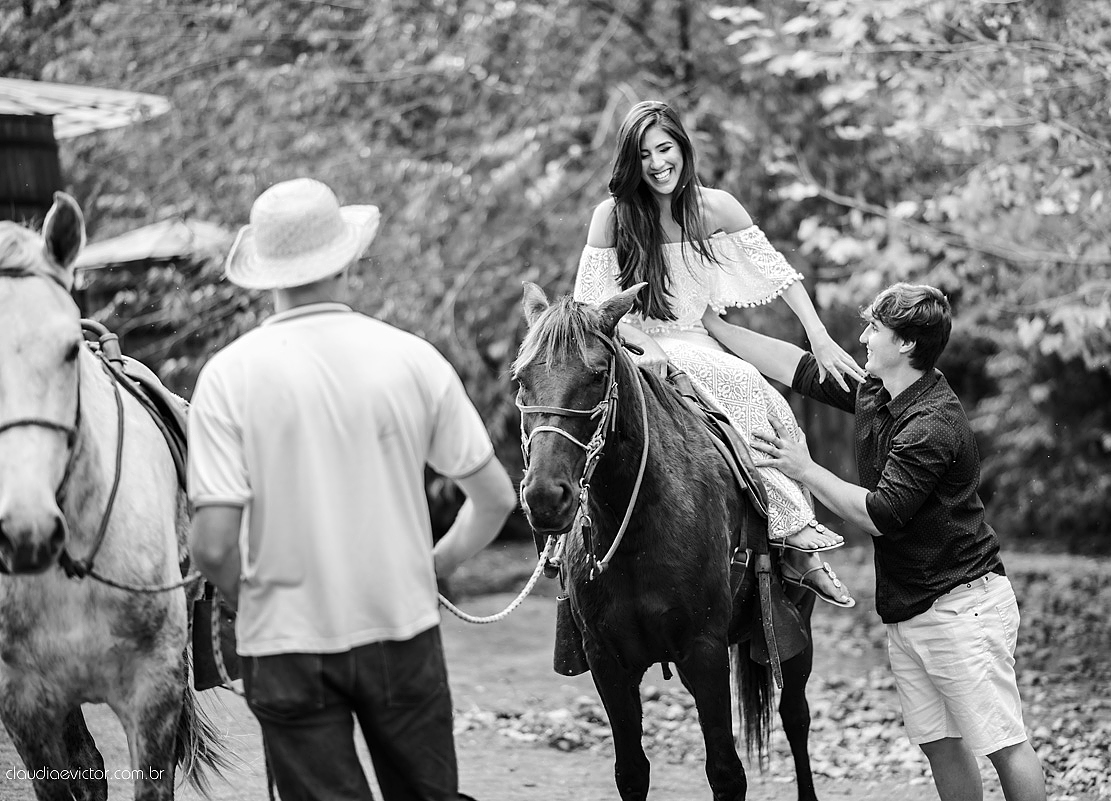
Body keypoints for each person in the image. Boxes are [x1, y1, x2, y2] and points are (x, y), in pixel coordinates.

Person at [187, 178, 515, 801]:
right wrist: (432, 565)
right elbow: (495, 499)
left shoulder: (227, 377)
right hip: (401, 627)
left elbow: (212, 548)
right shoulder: (412, 359)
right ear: (346, 258)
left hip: (285, 642)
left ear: (265, 272)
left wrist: (249, 603)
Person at [705, 282, 1048, 801]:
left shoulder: (931, 423)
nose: (863, 337)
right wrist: (718, 329)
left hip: (963, 606)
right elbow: (797, 367)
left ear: (906, 344)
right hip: (911, 606)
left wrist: (807, 471)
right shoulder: (877, 388)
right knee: (941, 743)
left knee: (1002, 744)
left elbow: (882, 515)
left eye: (875, 329)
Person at [574, 99, 866, 606]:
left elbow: (780, 275)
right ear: (630, 162)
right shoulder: (612, 218)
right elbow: (590, 308)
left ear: (683, 149)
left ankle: (792, 533)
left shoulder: (717, 209)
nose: (657, 163)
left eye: (665, 149)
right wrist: (641, 341)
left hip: (697, 340)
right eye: (643, 154)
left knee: (749, 383)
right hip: (631, 344)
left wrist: (817, 336)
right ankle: (567, 547)